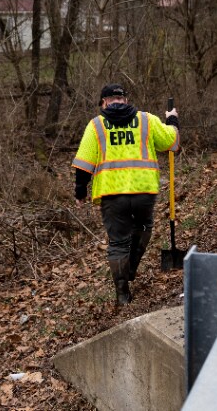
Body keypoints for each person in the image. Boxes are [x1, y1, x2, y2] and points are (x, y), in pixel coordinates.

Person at [72, 84, 179, 305]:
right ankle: (130, 268)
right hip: (143, 190)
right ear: (125, 101)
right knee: (144, 228)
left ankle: (122, 294)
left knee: (118, 243)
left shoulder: (96, 126)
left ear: (104, 103)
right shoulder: (146, 120)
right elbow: (172, 143)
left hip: (112, 195)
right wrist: (172, 120)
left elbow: (84, 164)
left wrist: (80, 191)